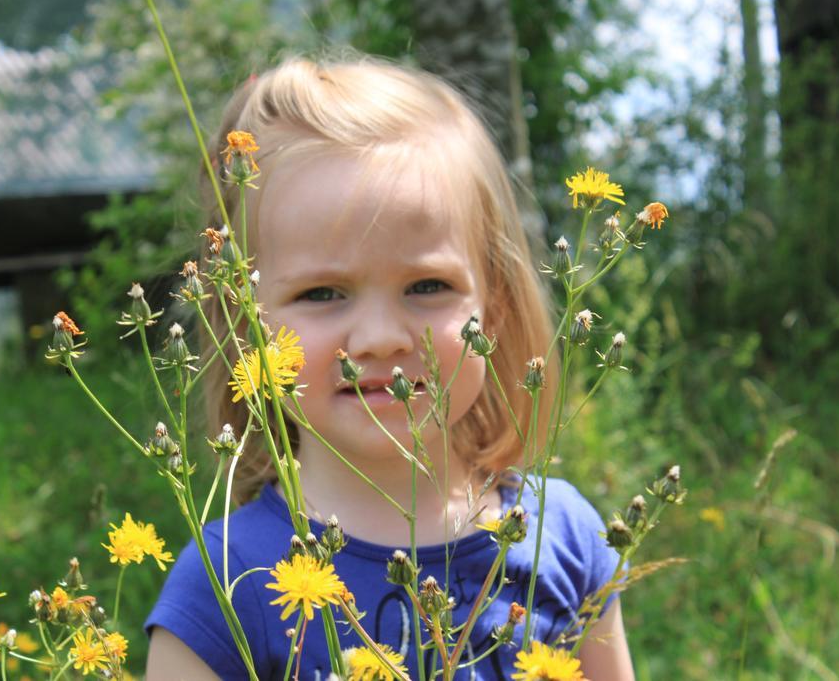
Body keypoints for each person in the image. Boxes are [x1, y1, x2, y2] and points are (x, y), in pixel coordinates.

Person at [145, 55, 635, 680]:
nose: (379, 339)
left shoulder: (565, 539)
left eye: (427, 285)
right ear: (246, 328)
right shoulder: (222, 585)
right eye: (322, 293)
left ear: (499, 309)